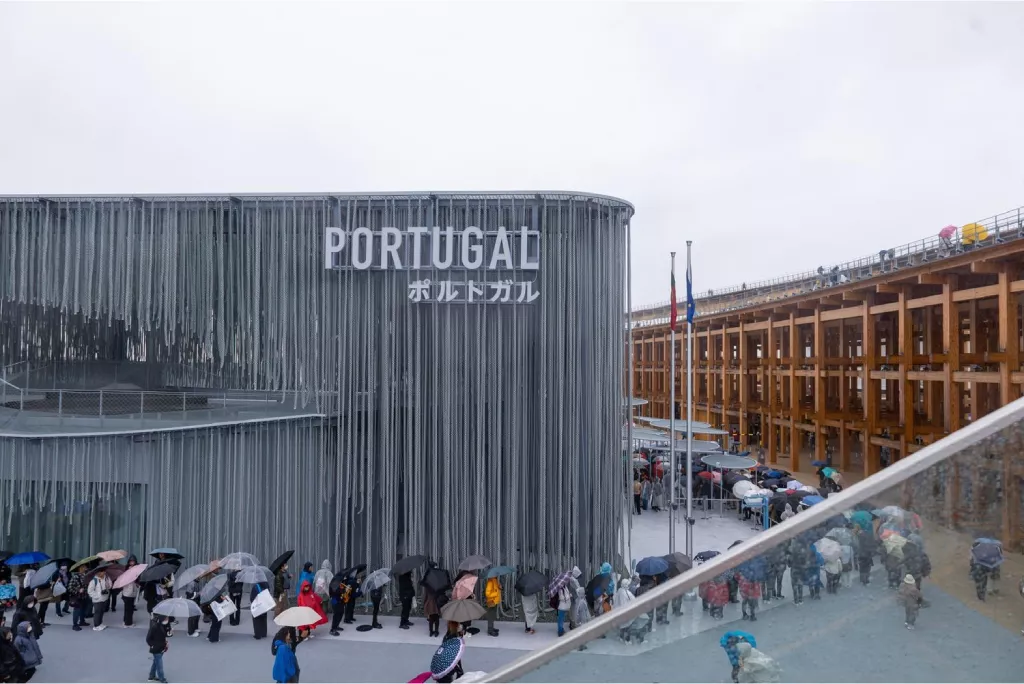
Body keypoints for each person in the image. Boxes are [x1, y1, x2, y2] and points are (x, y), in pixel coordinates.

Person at [146, 615, 169, 683]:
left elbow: (165, 635)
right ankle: (162, 678)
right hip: (156, 648)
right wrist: (152, 645)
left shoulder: (163, 626)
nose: (167, 620)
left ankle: (151, 676)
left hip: (161, 647)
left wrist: (169, 633)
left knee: (156, 662)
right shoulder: (154, 627)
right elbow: (148, 639)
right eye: (166, 619)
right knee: (159, 665)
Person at [120, 556, 139, 628]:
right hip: (127, 591)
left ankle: (126, 621)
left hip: (133, 591)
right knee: (128, 608)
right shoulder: (126, 570)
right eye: (131, 561)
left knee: (130, 608)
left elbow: (137, 579)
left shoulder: (137, 569)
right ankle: (127, 623)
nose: (132, 563)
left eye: (133, 561)